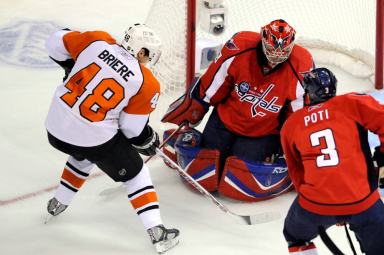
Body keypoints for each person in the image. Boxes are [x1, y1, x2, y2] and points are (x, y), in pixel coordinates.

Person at [44, 23, 179, 254]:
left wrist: (71, 67)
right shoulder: (146, 83)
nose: (148, 61)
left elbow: (54, 42)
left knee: (83, 155)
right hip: (90, 137)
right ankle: (157, 232)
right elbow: (131, 130)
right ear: (142, 52)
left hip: (55, 127)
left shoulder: (97, 40)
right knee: (136, 174)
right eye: (148, 55)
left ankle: (58, 203)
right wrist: (147, 139)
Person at [161, 19, 314, 201]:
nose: (276, 58)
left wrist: (290, 147)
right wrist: (195, 109)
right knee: (210, 167)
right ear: (263, 41)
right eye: (272, 51)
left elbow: (297, 117)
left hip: (263, 132)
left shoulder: (301, 65)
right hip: (225, 121)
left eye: (283, 52)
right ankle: (190, 137)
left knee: (238, 170)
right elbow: (213, 84)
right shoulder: (240, 49)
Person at [280, 67, 384, 254]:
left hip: (315, 206)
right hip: (364, 202)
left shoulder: (291, 124)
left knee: (295, 236)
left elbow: (296, 173)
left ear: (308, 92)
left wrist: (328, 205)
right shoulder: (352, 102)